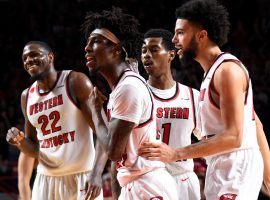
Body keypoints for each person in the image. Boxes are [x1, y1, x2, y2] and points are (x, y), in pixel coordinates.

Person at [138, 0, 270, 199]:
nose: (174, 39)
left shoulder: (227, 71)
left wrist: (176, 154)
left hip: (235, 166)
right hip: (221, 165)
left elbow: (234, 137)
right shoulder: (212, 72)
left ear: (202, 35)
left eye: (181, 32)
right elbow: (255, 123)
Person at [82, 7, 178, 200]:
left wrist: (95, 111)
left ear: (116, 49)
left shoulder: (129, 88)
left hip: (149, 186)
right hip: (138, 183)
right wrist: (96, 173)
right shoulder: (123, 86)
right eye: (87, 43)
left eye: (96, 42)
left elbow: (113, 152)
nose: (87, 48)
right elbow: (111, 138)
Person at [6, 41, 107, 200]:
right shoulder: (27, 96)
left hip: (82, 175)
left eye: (34, 55)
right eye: (25, 58)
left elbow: (103, 132)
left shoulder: (75, 81)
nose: (29, 60)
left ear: (50, 57)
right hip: (45, 179)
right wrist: (19, 140)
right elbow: (34, 150)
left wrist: (96, 173)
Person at [141, 28, 201, 200]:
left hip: (183, 180)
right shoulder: (136, 94)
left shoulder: (192, 97)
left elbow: (209, 144)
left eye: (153, 50)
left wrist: (177, 153)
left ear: (171, 55)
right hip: (148, 181)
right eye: (143, 51)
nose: (146, 55)